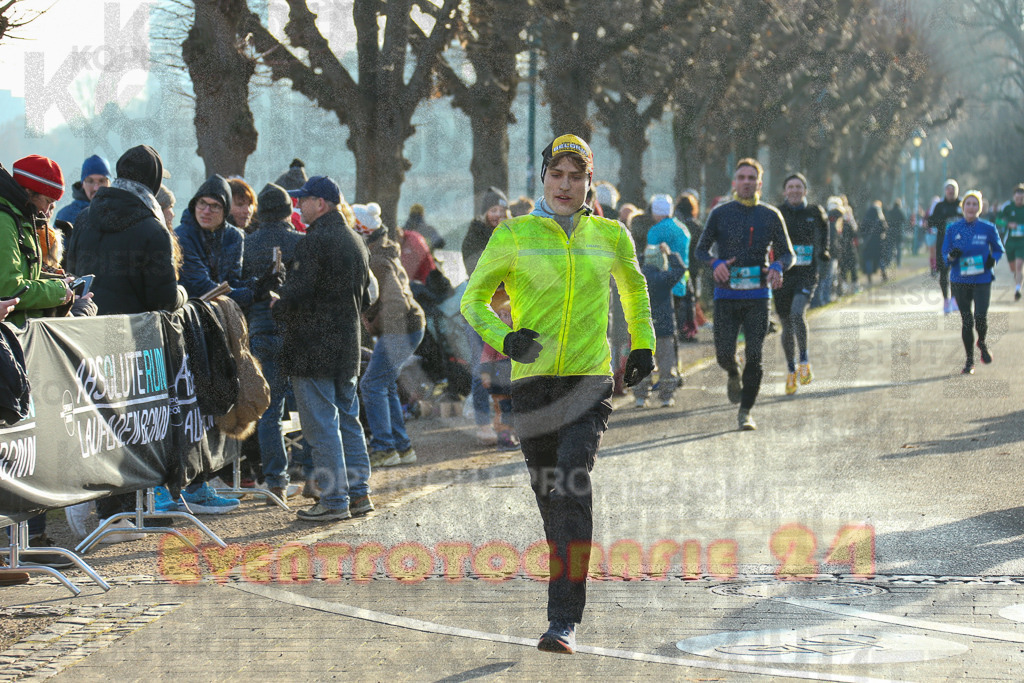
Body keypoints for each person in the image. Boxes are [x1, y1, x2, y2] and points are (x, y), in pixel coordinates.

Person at [462, 133, 655, 655]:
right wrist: (505, 338)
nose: (565, 185)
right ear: (544, 178)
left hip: (589, 380)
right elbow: (473, 300)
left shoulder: (611, 235)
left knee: (572, 482)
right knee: (551, 497)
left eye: (576, 176)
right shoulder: (515, 234)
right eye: (557, 175)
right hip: (532, 383)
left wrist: (643, 345)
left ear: (590, 182)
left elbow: (634, 289)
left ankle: (563, 621)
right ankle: (564, 580)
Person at [273, 176, 374, 521]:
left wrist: (277, 305)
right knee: (348, 421)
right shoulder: (356, 241)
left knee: (321, 427)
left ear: (322, 203)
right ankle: (359, 495)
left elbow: (296, 295)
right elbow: (367, 298)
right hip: (348, 346)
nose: (299, 206)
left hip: (312, 349)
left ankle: (333, 500)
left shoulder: (314, 242)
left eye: (305, 200)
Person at [695, 158, 793, 430]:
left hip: (758, 297)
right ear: (734, 182)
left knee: (755, 355)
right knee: (724, 354)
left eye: (752, 178)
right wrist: (715, 263)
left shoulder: (770, 215)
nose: (747, 182)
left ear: (759, 183)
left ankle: (746, 412)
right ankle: (732, 371)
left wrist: (777, 265)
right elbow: (700, 250)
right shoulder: (720, 213)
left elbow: (788, 253)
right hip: (726, 296)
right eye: (742, 177)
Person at [242, 183, 304, 501]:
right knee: (310, 403)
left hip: (260, 331)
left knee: (270, 408)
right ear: (287, 211)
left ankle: (276, 479)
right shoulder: (300, 242)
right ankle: (316, 468)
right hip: (297, 332)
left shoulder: (246, 244)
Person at [360, 224, 426, 467]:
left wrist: (374, 324)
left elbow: (396, 302)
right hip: (411, 326)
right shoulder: (385, 253)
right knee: (384, 383)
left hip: (401, 329)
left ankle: (385, 448)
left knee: (371, 383)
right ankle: (402, 446)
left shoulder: (376, 260)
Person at [461, 187, 509, 445]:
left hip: (507, 310)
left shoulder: (509, 234)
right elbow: (479, 270)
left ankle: (504, 422)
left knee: (506, 367)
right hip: (481, 308)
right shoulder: (475, 236)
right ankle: (483, 424)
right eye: (493, 210)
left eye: (502, 211)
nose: (497, 215)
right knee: (482, 367)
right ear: (484, 213)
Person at [775, 173, 829, 394]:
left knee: (798, 313)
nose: (795, 190)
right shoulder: (778, 213)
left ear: (805, 191)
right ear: (785, 191)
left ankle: (804, 361)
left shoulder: (815, 213)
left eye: (799, 187)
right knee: (786, 324)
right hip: (783, 275)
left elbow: (825, 236)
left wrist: (824, 252)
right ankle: (790, 371)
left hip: (806, 274)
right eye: (791, 187)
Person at [942, 190, 1003, 375]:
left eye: (975, 204)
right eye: (968, 204)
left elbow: (999, 249)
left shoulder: (988, 228)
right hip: (960, 279)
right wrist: (952, 256)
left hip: (982, 278)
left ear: (980, 207)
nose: (971, 207)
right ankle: (969, 361)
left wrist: (992, 260)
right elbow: (945, 256)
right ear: (963, 207)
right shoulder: (952, 229)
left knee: (980, 318)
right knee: (967, 321)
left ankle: (982, 342)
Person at [634, 242, 686, 407]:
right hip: (663, 329)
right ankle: (666, 397)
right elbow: (680, 269)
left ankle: (641, 397)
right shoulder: (664, 278)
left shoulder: (637, 277)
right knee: (666, 365)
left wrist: (642, 256)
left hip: (641, 329)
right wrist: (670, 254)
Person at [644, 193, 691, 350]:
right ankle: (674, 364)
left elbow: (652, 257)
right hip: (680, 282)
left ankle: (660, 363)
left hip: (662, 284)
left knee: (660, 328)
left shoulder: (655, 231)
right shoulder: (682, 228)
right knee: (675, 325)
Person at [928, 180, 964, 314]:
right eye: (948, 189)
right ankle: (946, 300)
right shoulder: (939, 206)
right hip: (943, 243)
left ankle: (954, 299)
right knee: (944, 272)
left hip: (959, 244)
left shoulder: (962, 204)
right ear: (945, 191)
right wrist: (941, 221)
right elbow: (930, 222)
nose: (951, 192)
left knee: (956, 272)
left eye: (953, 189)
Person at [55, 154, 111, 228]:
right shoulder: (66, 216)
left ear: (109, 183)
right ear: (82, 184)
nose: (96, 188)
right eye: (90, 181)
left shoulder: (120, 212)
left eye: (102, 181)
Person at [998, 184, 1024, 301]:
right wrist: (1008, 224)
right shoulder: (1007, 207)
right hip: (1010, 242)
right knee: (1013, 268)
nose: (1019, 201)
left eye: (1022, 199)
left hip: (1022, 242)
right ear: (1014, 197)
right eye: (1017, 199)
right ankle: (1018, 279)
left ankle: (1017, 289)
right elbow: (998, 220)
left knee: (1019, 266)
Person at [859, 200, 888, 286]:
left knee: (868, 259)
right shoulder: (880, 216)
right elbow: (885, 228)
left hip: (868, 242)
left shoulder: (867, 215)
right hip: (878, 242)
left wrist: (864, 237)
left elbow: (862, 229)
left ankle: (869, 276)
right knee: (880, 259)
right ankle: (883, 274)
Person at [884, 199, 907, 268]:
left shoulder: (890, 211)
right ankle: (898, 263)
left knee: (890, 248)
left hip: (890, 231)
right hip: (898, 231)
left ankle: (888, 262)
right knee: (898, 248)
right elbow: (904, 219)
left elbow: (887, 219)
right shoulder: (901, 211)